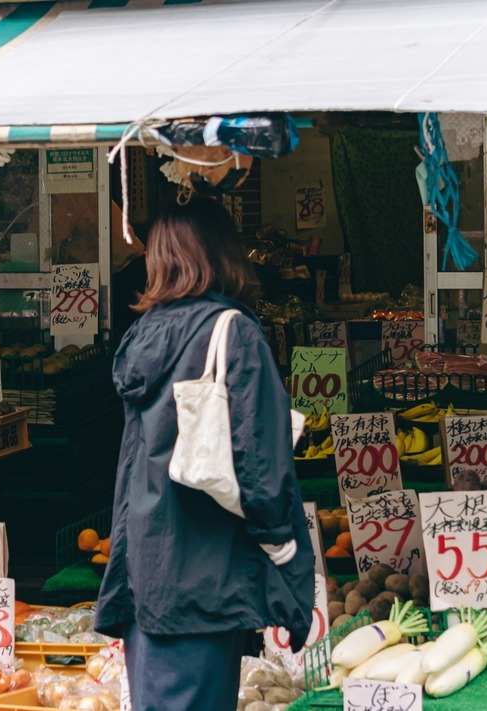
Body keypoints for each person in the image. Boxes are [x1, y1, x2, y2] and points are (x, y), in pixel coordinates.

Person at [94, 197, 315, 711]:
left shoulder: (142, 335)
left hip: (146, 565)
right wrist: (285, 552)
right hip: (203, 572)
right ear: (223, 252)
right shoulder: (232, 331)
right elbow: (261, 464)